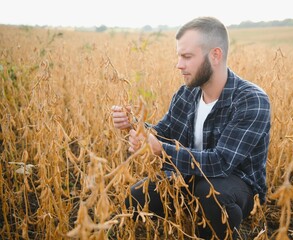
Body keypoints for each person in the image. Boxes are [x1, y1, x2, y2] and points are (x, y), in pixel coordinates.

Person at [112, 16, 271, 239]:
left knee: (210, 195)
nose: (179, 64)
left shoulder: (251, 100)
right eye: (179, 56)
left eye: (187, 57)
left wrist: (160, 150)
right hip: (187, 178)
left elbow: (221, 162)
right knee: (135, 196)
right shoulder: (187, 92)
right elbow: (164, 132)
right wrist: (135, 125)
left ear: (215, 55)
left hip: (235, 186)